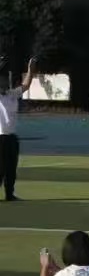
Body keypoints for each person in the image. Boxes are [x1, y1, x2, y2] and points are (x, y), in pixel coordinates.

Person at [0, 57, 36, 202]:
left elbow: (26, 85)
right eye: (2, 80)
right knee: (0, 168)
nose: (4, 82)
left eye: (5, 80)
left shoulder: (12, 94)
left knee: (11, 168)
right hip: (0, 137)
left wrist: (30, 70)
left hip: (11, 137)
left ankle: (10, 194)